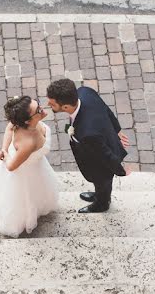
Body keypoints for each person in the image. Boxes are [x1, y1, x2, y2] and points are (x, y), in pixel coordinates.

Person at [45, 78, 130, 213]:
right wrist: (117, 129)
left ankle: (102, 204)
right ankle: (98, 195)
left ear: (66, 107)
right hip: (97, 142)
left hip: (100, 164)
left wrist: (121, 170)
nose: (48, 104)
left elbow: (105, 155)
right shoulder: (85, 92)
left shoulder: (87, 133)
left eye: (52, 103)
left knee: (103, 182)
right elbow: (106, 109)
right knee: (100, 185)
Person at [0, 95, 59, 237]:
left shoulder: (20, 122)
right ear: (27, 120)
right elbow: (11, 166)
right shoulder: (28, 142)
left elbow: (10, 128)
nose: (42, 109)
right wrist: (5, 156)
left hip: (33, 165)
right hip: (23, 170)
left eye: (38, 105)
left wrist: (4, 150)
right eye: (38, 110)